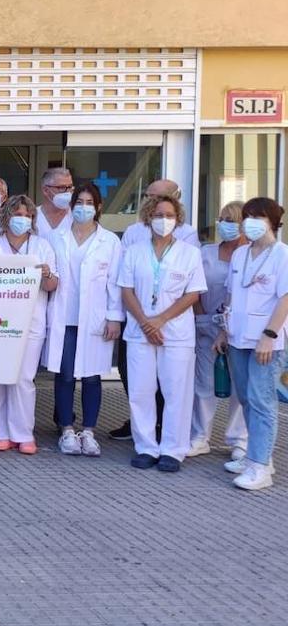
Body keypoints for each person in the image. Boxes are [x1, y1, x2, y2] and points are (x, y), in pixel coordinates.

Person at [118, 194, 206, 472]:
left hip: (176, 334)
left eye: (169, 215)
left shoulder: (190, 253)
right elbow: (126, 290)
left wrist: (161, 320)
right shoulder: (134, 251)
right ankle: (145, 447)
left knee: (176, 392)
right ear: (148, 218)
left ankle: (172, 450)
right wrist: (146, 322)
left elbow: (193, 294)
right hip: (140, 331)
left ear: (178, 219)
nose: (163, 220)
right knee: (141, 392)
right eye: (158, 215)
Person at [46, 183, 122, 458]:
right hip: (63, 316)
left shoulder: (110, 241)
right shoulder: (57, 237)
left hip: (95, 319)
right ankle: (67, 429)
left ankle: (88, 431)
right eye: (79, 202)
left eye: (90, 202)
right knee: (64, 374)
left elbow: (115, 283)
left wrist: (115, 317)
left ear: (98, 207)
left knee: (92, 376)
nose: (84, 207)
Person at [216, 197, 288, 490]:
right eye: (247, 217)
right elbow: (231, 295)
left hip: (265, 342)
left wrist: (269, 336)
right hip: (237, 337)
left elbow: (285, 298)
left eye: (257, 217)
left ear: (272, 221)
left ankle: (260, 468)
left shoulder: (282, 255)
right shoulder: (240, 254)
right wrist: (223, 331)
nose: (250, 223)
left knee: (262, 401)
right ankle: (255, 456)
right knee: (245, 397)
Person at [0, 195, 58, 455]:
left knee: (24, 378)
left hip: (31, 321)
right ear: (7, 215)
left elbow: (53, 286)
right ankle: (0, 432)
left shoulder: (42, 246)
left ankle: (23, 433)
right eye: (17, 214)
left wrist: (47, 275)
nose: (22, 219)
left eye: (27, 215)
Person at [189, 201, 248, 460]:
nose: (225, 224)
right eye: (223, 218)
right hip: (207, 325)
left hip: (240, 331)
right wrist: (201, 317)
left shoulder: (250, 255)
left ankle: (239, 440)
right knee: (204, 384)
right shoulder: (206, 253)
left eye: (232, 220)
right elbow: (195, 287)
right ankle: (200, 437)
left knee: (240, 387)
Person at [36, 167, 75, 241]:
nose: (67, 192)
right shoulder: (32, 217)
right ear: (46, 190)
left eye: (70, 187)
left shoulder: (76, 217)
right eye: (61, 187)